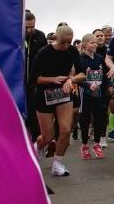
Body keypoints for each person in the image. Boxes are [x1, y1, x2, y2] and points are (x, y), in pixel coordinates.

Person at [31, 24, 84, 177]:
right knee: (47, 136)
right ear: (56, 38)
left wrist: (71, 79)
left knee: (66, 130)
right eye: (63, 43)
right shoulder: (44, 52)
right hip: (44, 96)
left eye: (69, 42)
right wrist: (53, 79)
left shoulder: (72, 51)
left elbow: (82, 73)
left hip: (63, 94)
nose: (66, 46)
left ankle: (57, 163)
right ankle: (34, 151)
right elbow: (34, 79)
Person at [77, 33, 108, 159]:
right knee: (85, 118)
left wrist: (108, 85)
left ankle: (97, 144)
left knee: (99, 117)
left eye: (95, 43)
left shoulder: (100, 58)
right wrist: (88, 85)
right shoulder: (80, 59)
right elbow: (76, 79)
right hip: (85, 92)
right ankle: (84, 145)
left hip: (99, 92)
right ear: (84, 45)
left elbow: (104, 74)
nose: (95, 45)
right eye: (92, 43)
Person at [24, 9, 48, 141]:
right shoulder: (15, 35)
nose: (29, 30)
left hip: (35, 82)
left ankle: (35, 142)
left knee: (34, 113)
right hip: (19, 82)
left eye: (32, 27)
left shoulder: (40, 36)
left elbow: (45, 59)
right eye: (26, 27)